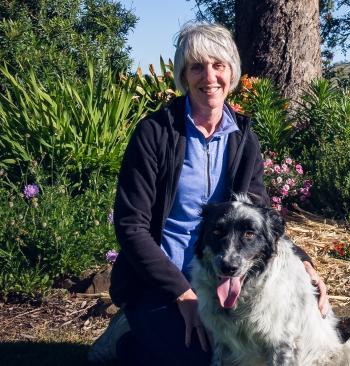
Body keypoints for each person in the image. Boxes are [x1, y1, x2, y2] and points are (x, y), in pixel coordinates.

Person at [88, 22, 329, 365]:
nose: (209, 77)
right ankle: (125, 337)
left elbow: (260, 216)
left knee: (243, 350)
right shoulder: (154, 134)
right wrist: (182, 294)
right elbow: (131, 226)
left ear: (232, 72)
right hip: (162, 282)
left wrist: (304, 261)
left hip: (221, 276)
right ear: (183, 75)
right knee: (198, 356)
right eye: (197, 67)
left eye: (219, 65)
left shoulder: (243, 138)